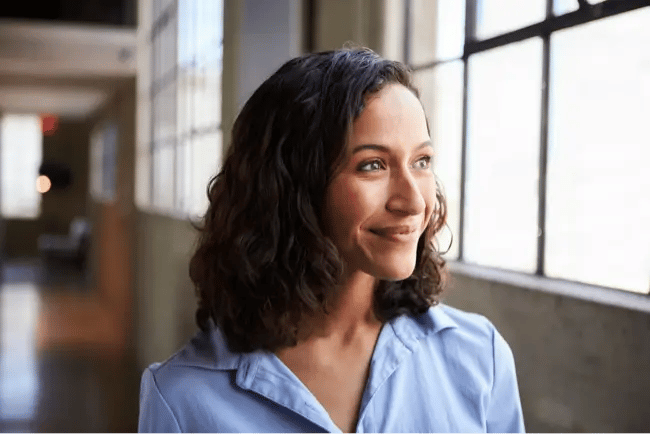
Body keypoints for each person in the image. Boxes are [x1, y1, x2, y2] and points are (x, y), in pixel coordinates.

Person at [138, 48, 525, 433]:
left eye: (421, 161)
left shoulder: (480, 359)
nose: (414, 201)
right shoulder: (182, 400)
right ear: (293, 186)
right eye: (372, 165)